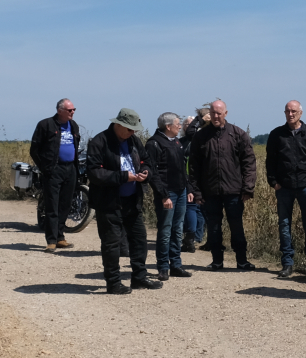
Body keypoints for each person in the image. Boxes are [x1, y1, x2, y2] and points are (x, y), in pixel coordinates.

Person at [84, 107, 165, 294]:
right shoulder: (99, 142)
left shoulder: (134, 141)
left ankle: (139, 277)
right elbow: (95, 172)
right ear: (118, 125)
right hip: (108, 202)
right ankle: (113, 283)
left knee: (139, 239)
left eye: (135, 129)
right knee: (111, 244)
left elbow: (146, 161)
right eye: (129, 129)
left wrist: (145, 172)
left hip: (132, 200)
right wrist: (123, 176)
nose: (132, 132)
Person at [187, 99, 258, 271]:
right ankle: (217, 261)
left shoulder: (237, 134)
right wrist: (196, 192)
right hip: (210, 191)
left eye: (219, 113)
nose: (216, 116)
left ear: (225, 113)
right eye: (213, 113)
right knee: (214, 228)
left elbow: (249, 162)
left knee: (236, 227)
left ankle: (242, 260)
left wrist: (248, 188)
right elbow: (194, 166)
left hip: (234, 191)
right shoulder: (201, 137)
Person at [265, 100, 306, 279]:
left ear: (301, 113)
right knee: (284, 225)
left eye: (294, 111)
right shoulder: (277, 135)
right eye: (287, 111)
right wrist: (273, 182)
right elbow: (270, 161)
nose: (290, 114)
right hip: (284, 187)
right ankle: (287, 263)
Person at [30, 99, 84, 250]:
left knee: (65, 204)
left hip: (70, 169)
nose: (72, 112)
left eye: (74, 110)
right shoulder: (45, 125)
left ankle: (60, 236)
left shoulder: (73, 125)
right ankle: (51, 240)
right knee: (52, 205)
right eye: (69, 110)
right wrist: (45, 167)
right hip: (53, 170)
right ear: (60, 111)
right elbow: (34, 149)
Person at [148, 112, 193, 281]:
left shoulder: (176, 142)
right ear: (168, 126)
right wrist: (163, 195)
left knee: (177, 229)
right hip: (167, 194)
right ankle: (163, 267)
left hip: (181, 191)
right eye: (177, 124)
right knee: (165, 230)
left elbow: (182, 168)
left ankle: (176, 265)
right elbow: (153, 173)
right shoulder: (154, 143)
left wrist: (189, 188)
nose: (180, 126)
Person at [180, 103, 212, 252]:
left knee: (192, 206)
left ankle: (191, 238)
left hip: (198, 176)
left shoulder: (200, 135)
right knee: (206, 210)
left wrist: (200, 119)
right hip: (210, 177)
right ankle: (206, 239)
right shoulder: (214, 133)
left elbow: (190, 132)